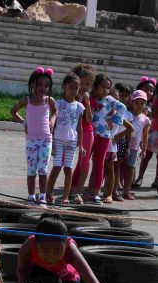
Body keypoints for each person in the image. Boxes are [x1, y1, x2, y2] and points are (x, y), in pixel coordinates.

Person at [10, 67, 56, 204]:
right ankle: (31, 197)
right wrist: (24, 124)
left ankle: (42, 196)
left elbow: (55, 111)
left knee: (42, 170)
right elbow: (13, 111)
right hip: (31, 141)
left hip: (46, 140)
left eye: (46, 85)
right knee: (31, 170)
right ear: (33, 84)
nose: (43, 88)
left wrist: (52, 120)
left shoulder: (49, 100)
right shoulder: (27, 100)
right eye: (40, 84)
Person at [87, 74, 133, 204]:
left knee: (105, 167)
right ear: (95, 86)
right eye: (103, 87)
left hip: (106, 139)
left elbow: (123, 108)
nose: (106, 90)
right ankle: (88, 191)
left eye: (108, 88)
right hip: (91, 135)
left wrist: (114, 120)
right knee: (89, 163)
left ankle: (102, 193)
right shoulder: (91, 99)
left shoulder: (109, 101)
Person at [45, 74, 86, 205]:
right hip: (58, 139)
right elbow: (53, 123)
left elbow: (79, 127)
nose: (73, 91)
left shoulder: (79, 106)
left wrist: (81, 144)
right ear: (64, 87)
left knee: (68, 168)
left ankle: (65, 196)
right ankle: (49, 193)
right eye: (71, 87)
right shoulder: (58, 104)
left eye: (76, 88)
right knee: (57, 167)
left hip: (72, 141)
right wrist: (51, 141)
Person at [69, 63, 96, 204]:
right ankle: (70, 189)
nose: (85, 87)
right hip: (72, 131)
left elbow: (89, 119)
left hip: (87, 131)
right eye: (83, 83)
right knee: (69, 160)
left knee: (84, 161)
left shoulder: (90, 99)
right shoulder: (71, 95)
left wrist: (87, 103)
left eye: (88, 84)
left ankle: (78, 191)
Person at [123, 91, 151, 200]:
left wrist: (144, 150)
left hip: (134, 148)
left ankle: (127, 191)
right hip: (123, 145)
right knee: (119, 167)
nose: (139, 106)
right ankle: (114, 189)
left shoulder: (145, 119)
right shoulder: (127, 115)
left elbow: (145, 136)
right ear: (132, 103)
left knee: (130, 169)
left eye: (142, 103)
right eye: (137, 103)